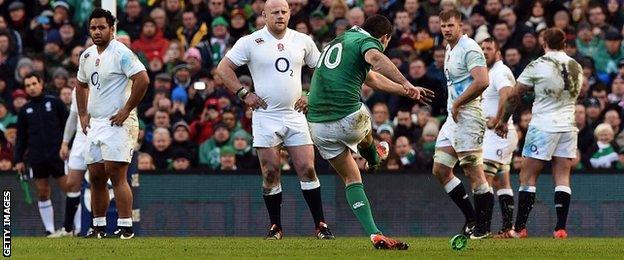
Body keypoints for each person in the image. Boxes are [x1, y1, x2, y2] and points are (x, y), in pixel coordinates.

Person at [307, 14, 433, 250]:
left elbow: (371, 78)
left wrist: (405, 91)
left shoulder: (342, 40)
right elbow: (375, 58)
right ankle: (374, 157)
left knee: (352, 179)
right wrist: (407, 83)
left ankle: (375, 234)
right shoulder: (368, 42)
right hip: (348, 116)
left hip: (317, 125)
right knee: (363, 123)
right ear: (384, 37)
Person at [216, 0, 334, 240]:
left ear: (290, 14)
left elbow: (323, 71)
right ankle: (275, 227)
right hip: (266, 115)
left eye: (284, 12)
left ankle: (321, 225)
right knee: (270, 172)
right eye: (275, 12)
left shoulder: (302, 40)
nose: (280, 16)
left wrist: (310, 95)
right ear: (264, 15)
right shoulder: (250, 41)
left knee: (307, 168)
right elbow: (223, 68)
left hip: (295, 114)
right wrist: (243, 93)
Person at [494, 28, 583, 239]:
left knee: (527, 176)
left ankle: (519, 228)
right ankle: (560, 228)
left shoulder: (537, 65)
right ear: (565, 44)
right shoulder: (576, 66)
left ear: (544, 43)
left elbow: (515, 95)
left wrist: (504, 120)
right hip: (568, 126)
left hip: (543, 126)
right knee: (562, 176)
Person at [76, 8, 149, 239]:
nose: (97, 32)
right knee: (96, 176)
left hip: (118, 123)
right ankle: (98, 227)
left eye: (102, 27)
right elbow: (80, 85)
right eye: (93, 28)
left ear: (112, 29)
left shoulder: (121, 53)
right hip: (95, 123)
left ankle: (126, 227)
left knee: (116, 174)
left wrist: (126, 110)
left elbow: (142, 79)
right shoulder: (86, 55)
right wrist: (82, 115)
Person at [431, 9, 493, 239]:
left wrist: (458, 102)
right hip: (453, 117)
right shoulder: (449, 48)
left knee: (474, 173)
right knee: (441, 169)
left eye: (450, 25)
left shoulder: (470, 48)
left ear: (461, 26)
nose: (446, 29)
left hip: (468, 116)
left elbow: (482, 81)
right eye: (443, 25)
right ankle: (471, 217)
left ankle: (483, 228)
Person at [14, 72, 71, 237]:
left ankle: (74, 227)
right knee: (42, 192)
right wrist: (18, 160)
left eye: (34, 84)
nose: (31, 88)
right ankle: (49, 230)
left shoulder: (55, 102)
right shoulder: (25, 110)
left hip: (58, 155)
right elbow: (21, 138)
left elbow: (69, 126)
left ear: (41, 83)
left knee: (69, 189)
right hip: (37, 157)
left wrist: (69, 147)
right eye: (28, 86)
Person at [479, 38, 519, 238]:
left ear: (498, 53)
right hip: (497, 135)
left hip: (498, 134)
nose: (485, 51)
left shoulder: (500, 71)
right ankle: (507, 229)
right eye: (482, 48)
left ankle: (483, 228)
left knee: (483, 179)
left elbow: (507, 94)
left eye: (489, 49)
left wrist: (498, 119)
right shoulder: (489, 72)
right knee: (502, 182)